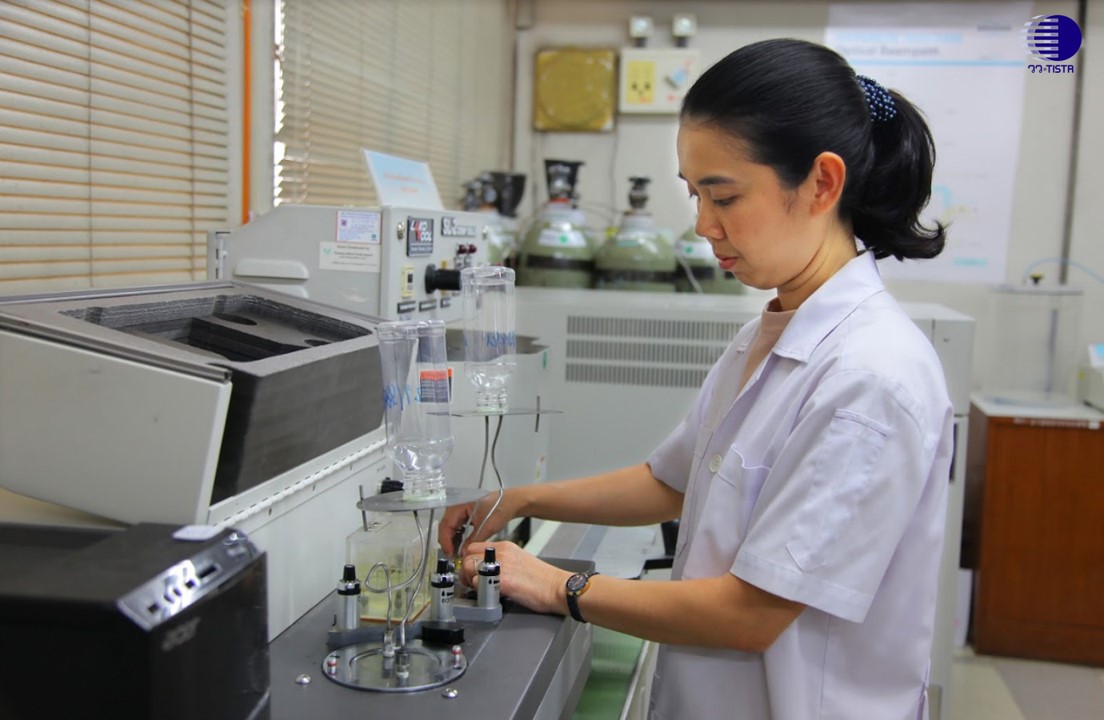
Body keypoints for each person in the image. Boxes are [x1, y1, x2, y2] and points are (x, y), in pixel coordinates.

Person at [440, 37, 953, 720]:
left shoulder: (872, 379)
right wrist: (520, 497)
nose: (705, 225)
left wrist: (555, 586)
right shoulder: (772, 333)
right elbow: (672, 482)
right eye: (695, 195)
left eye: (725, 196)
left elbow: (751, 614)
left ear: (822, 183)